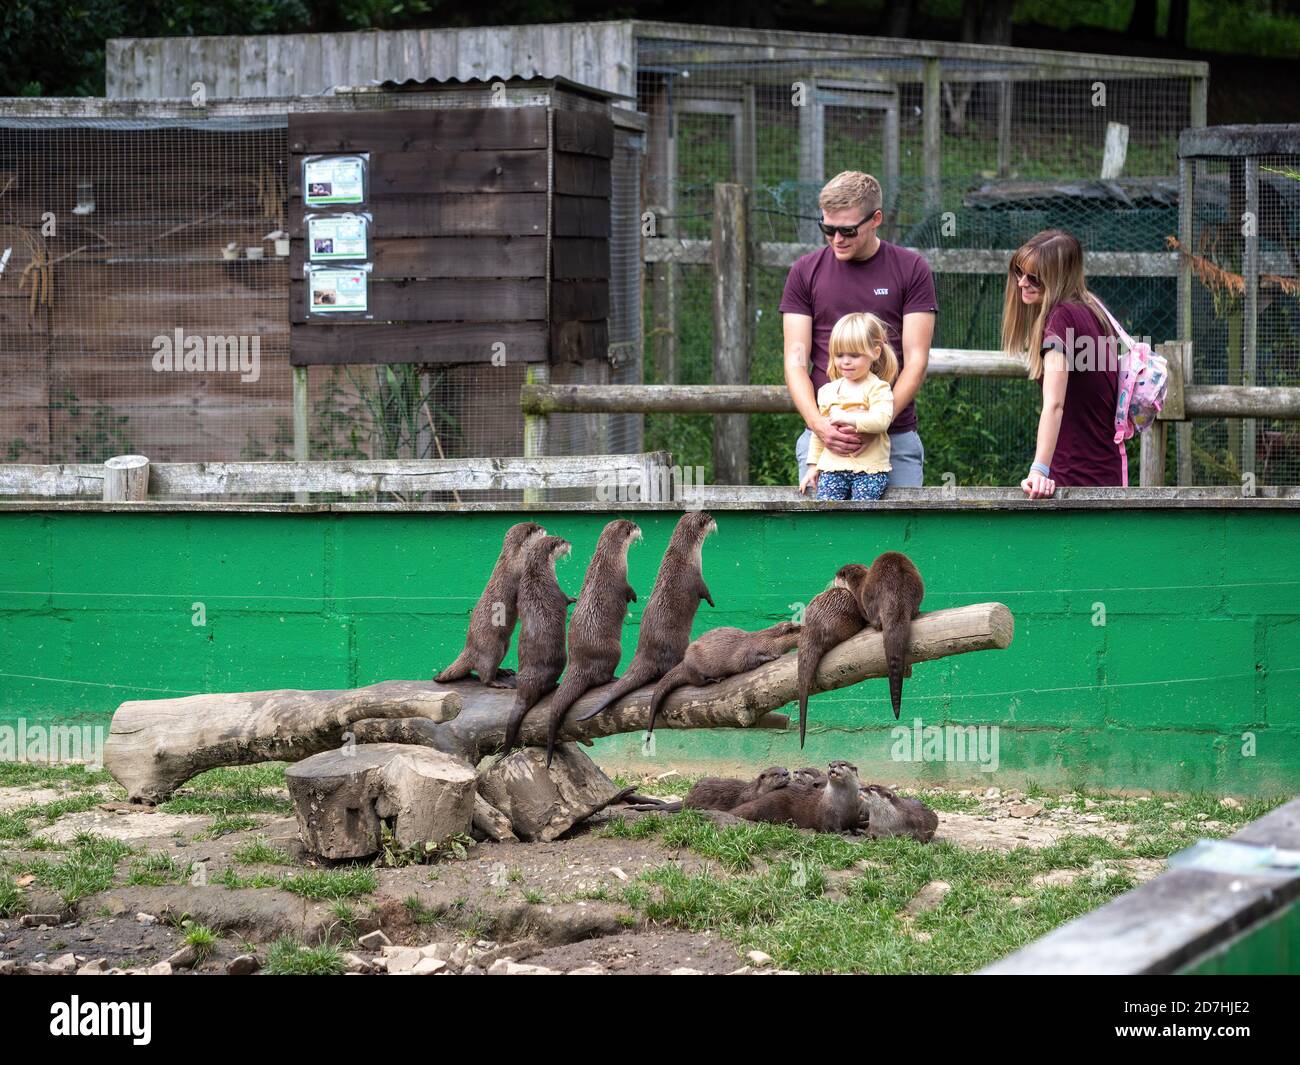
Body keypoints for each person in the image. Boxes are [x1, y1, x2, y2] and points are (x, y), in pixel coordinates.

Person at [781, 171, 937, 489]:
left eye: (848, 230)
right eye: (828, 229)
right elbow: (795, 360)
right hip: (826, 440)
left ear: (875, 219)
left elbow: (916, 360)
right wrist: (819, 425)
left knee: (896, 539)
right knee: (825, 539)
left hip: (894, 438)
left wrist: (876, 423)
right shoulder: (804, 271)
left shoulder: (911, 269)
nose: (837, 239)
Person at [1001, 229, 1124, 498]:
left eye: (1034, 276)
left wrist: (1038, 470)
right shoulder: (1093, 309)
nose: (1022, 282)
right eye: (1019, 272)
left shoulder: (1062, 318)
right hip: (1108, 473)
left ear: (1057, 277)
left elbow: (1055, 404)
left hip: (1072, 481)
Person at [799, 313, 897, 501]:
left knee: (861, 515)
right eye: (839, 355)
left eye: (854, 355)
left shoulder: (878, 388)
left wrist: (847, 417)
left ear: (875, 353)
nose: (845, 361)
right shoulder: (828, 391)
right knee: (827, 512)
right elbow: (818, 433)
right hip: (832, 468)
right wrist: (813, 467)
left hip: (869, 469)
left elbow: (882, 420)